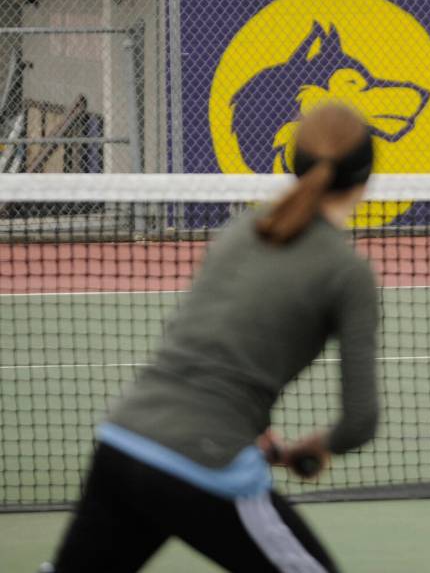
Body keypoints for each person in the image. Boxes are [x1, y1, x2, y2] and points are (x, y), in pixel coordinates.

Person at [42, 103, 380, 573]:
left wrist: (251, 428)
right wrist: (316, 447)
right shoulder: (348, 273)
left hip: (123, 440)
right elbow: (360, 422)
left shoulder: (241, 230)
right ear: (365, 177)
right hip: (204, 464)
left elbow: (198, 340)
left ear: (295, 163)